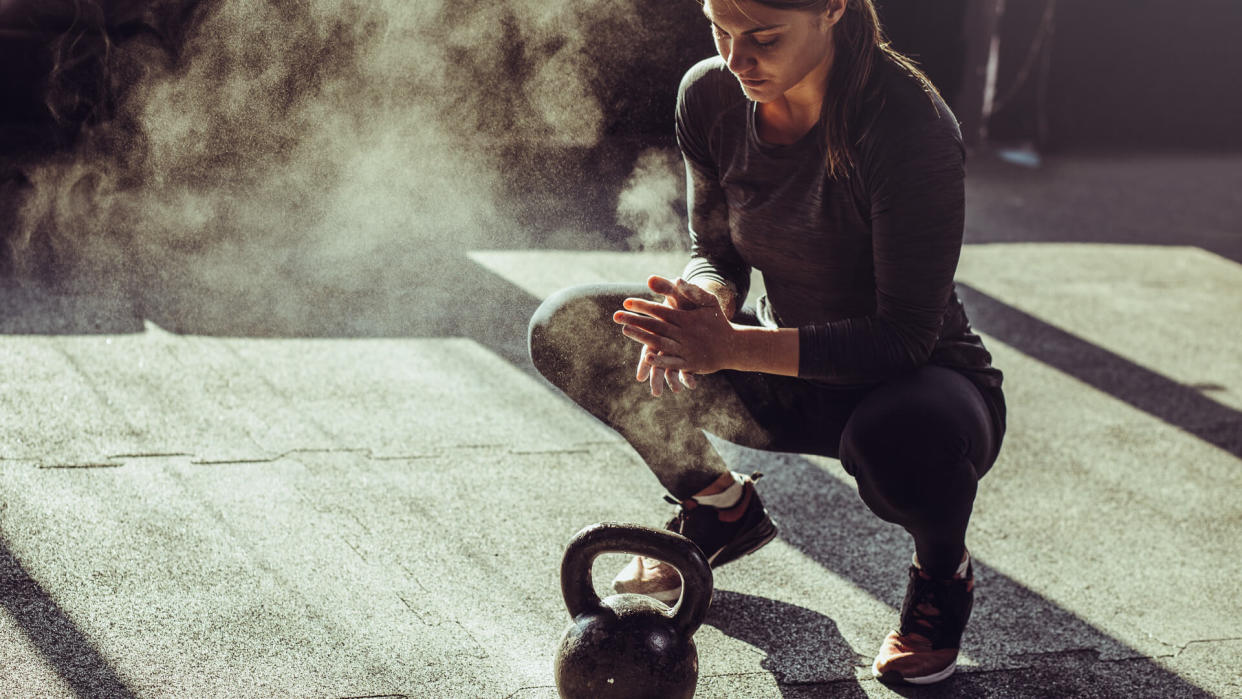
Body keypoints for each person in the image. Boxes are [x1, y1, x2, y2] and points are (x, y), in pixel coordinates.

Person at [528, 0, 1005, 686]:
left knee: (900, 437)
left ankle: (941, 573)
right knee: (566, 326)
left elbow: (902, 337)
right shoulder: (711, 95)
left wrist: (726, 348)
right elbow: (714, 252)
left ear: (833, 9)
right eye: (719, 29)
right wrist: (702, 304)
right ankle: (719, 507)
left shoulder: (910, 124)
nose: (735, 56)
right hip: (784, 379)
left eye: (763, 37)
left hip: (919, 388)